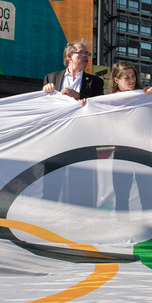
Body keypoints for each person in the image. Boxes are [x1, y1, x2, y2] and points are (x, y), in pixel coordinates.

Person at [41, 39, 104, 205]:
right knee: (50, 190)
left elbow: (99, 109)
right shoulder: (51, 78)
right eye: (82, 53)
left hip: (83, 142)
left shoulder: (96, 82)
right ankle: (46, 226)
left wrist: (79, 97)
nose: (87, 57)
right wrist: (45, 93)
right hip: (57, 141)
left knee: (82, 190)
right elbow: (43, 109)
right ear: (69, 55)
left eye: (88, 54)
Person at [107, 62, 152, 211]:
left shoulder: (145, 95)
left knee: (148, 200)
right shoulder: (109, 101)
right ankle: (122, 233)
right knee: (121, 201)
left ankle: (151, 233)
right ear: (116, 80)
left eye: (133, 76)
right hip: (122, 155)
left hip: (145, 153)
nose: (132, 80)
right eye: (126, 77)